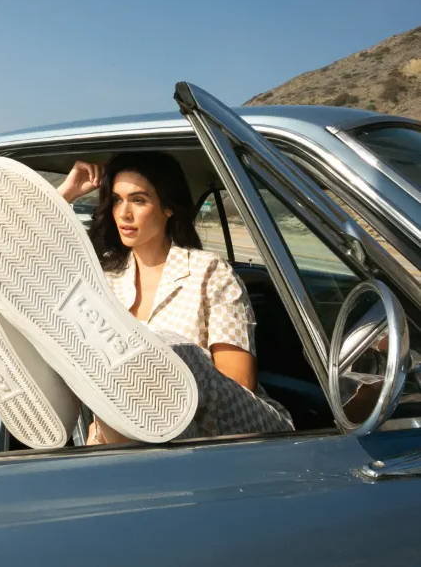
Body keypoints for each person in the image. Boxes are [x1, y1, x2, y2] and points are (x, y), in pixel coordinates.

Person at [55, 152, 294, 444]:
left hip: (231, 426)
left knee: (161, 354)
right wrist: (63, 197)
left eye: (138, 200)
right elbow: (19, 270)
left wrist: (157, 373)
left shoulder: (209, 271)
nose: (123, 213)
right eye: (117, 200)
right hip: (137, 429)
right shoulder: (105, 278)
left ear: (168, 207)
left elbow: (239, 382)